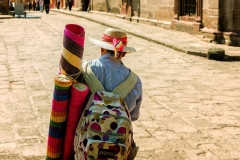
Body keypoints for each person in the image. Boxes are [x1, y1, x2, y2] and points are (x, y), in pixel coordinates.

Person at [87, 28, 142, 121]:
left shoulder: (87, 69)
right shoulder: (135, 81)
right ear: (123, 53)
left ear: (102, 48)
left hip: (87, 132)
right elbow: (133, 116)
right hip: (119, 133)